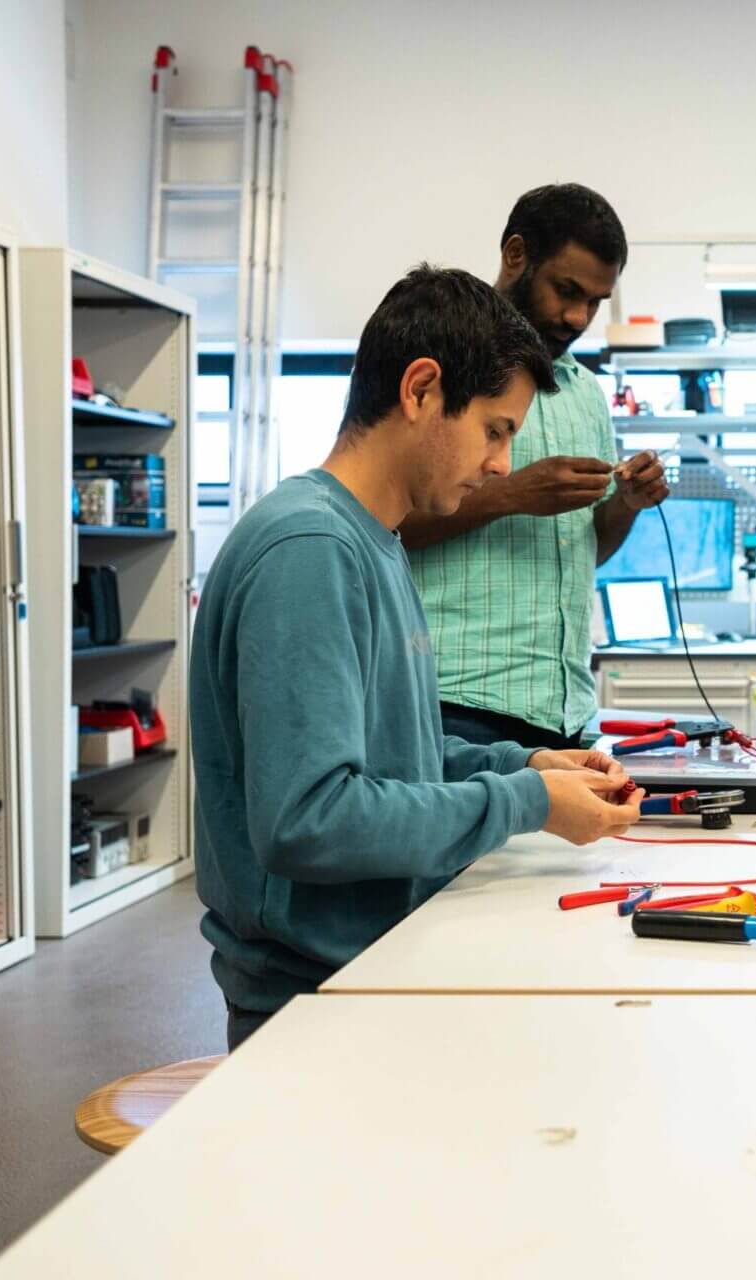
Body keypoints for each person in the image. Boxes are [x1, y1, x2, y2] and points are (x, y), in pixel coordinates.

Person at [191, 264, 641, 1050]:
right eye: (496, 430)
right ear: (422, 390)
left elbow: (397, 756)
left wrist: (526, 764)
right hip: (313, 1005)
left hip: (374, 963)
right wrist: (526, 805)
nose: (503, 464)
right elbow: (311, 820)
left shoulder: (375, 540)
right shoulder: (310, 550)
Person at [402, 184, 670, 752]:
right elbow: (384, 523)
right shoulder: (436, 364)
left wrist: (626, 503)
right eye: (566, 290)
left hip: (566, 709)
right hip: (456, 704)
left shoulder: (587, 395)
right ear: (516, 255)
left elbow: (586, 550)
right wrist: (514, 493)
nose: (577, 316)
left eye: (596, 302)